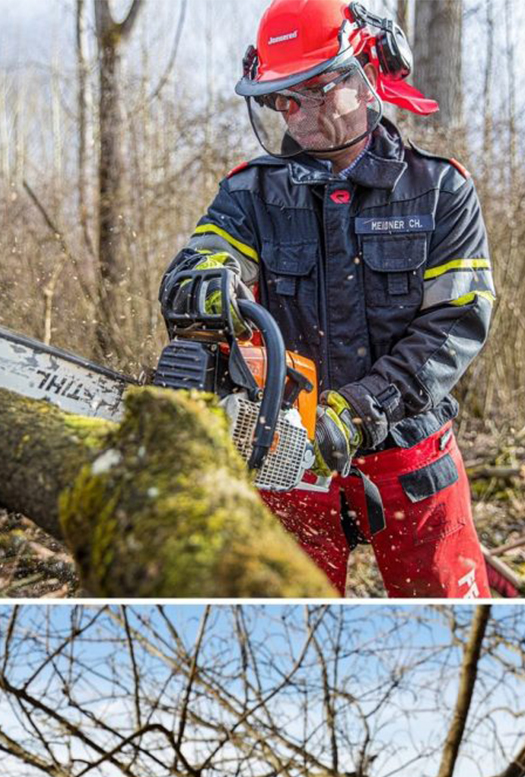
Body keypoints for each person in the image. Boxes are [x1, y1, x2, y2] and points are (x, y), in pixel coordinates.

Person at [160, 0, 495, 598]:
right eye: (284, 98)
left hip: (410, 455)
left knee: (446, 602)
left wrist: (361, 409)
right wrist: (205, 279)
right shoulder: (250, 193)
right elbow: (203, 256)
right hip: (291, 453)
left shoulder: (439, 190)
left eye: (315, 90)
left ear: (366, 76)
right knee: (289, 611)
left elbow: (455, 323)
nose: (299, 114)